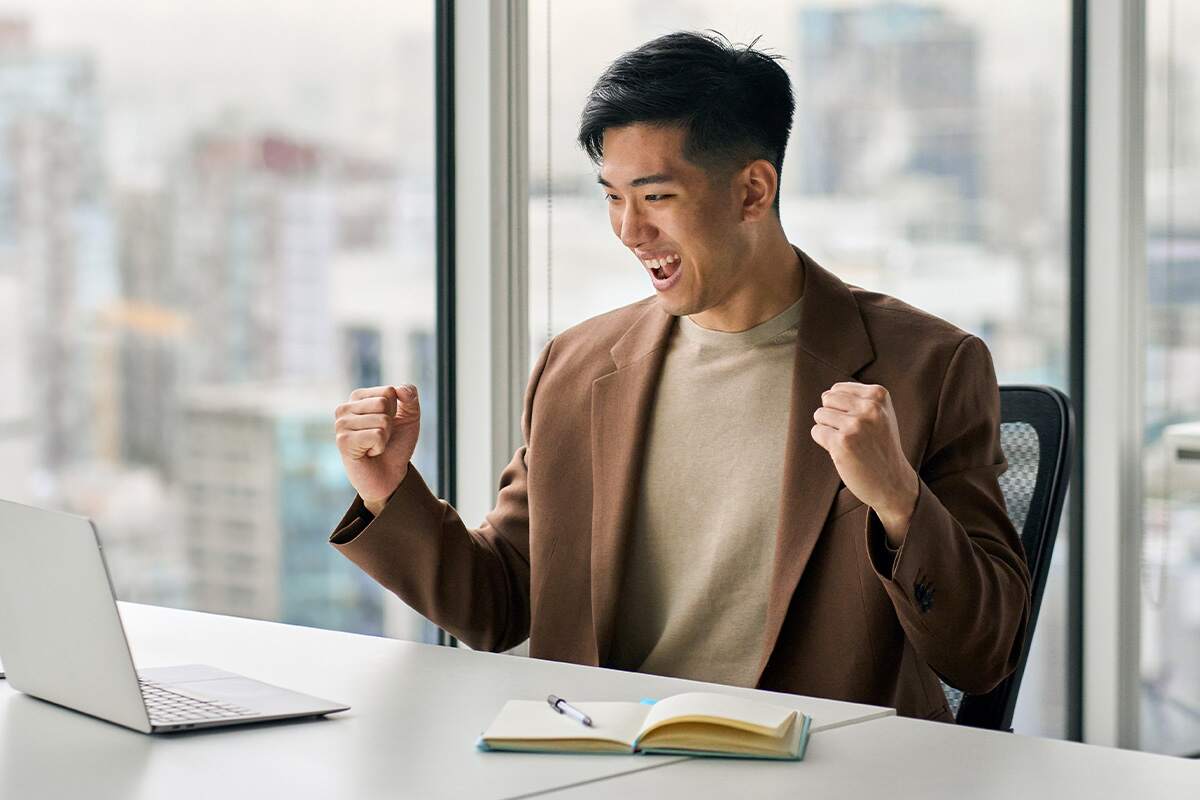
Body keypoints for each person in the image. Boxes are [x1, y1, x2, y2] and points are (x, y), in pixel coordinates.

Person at [329, 30, 1030, 722]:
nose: (630, 231)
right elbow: (497, 604)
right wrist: (389, 489)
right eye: (611, 197)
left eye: (655, 197)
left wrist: (900, 502)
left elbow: (982, 655)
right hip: (603, 763)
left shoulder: (928, 367)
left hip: (817, 772)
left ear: (753, 191)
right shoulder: (575, 368)